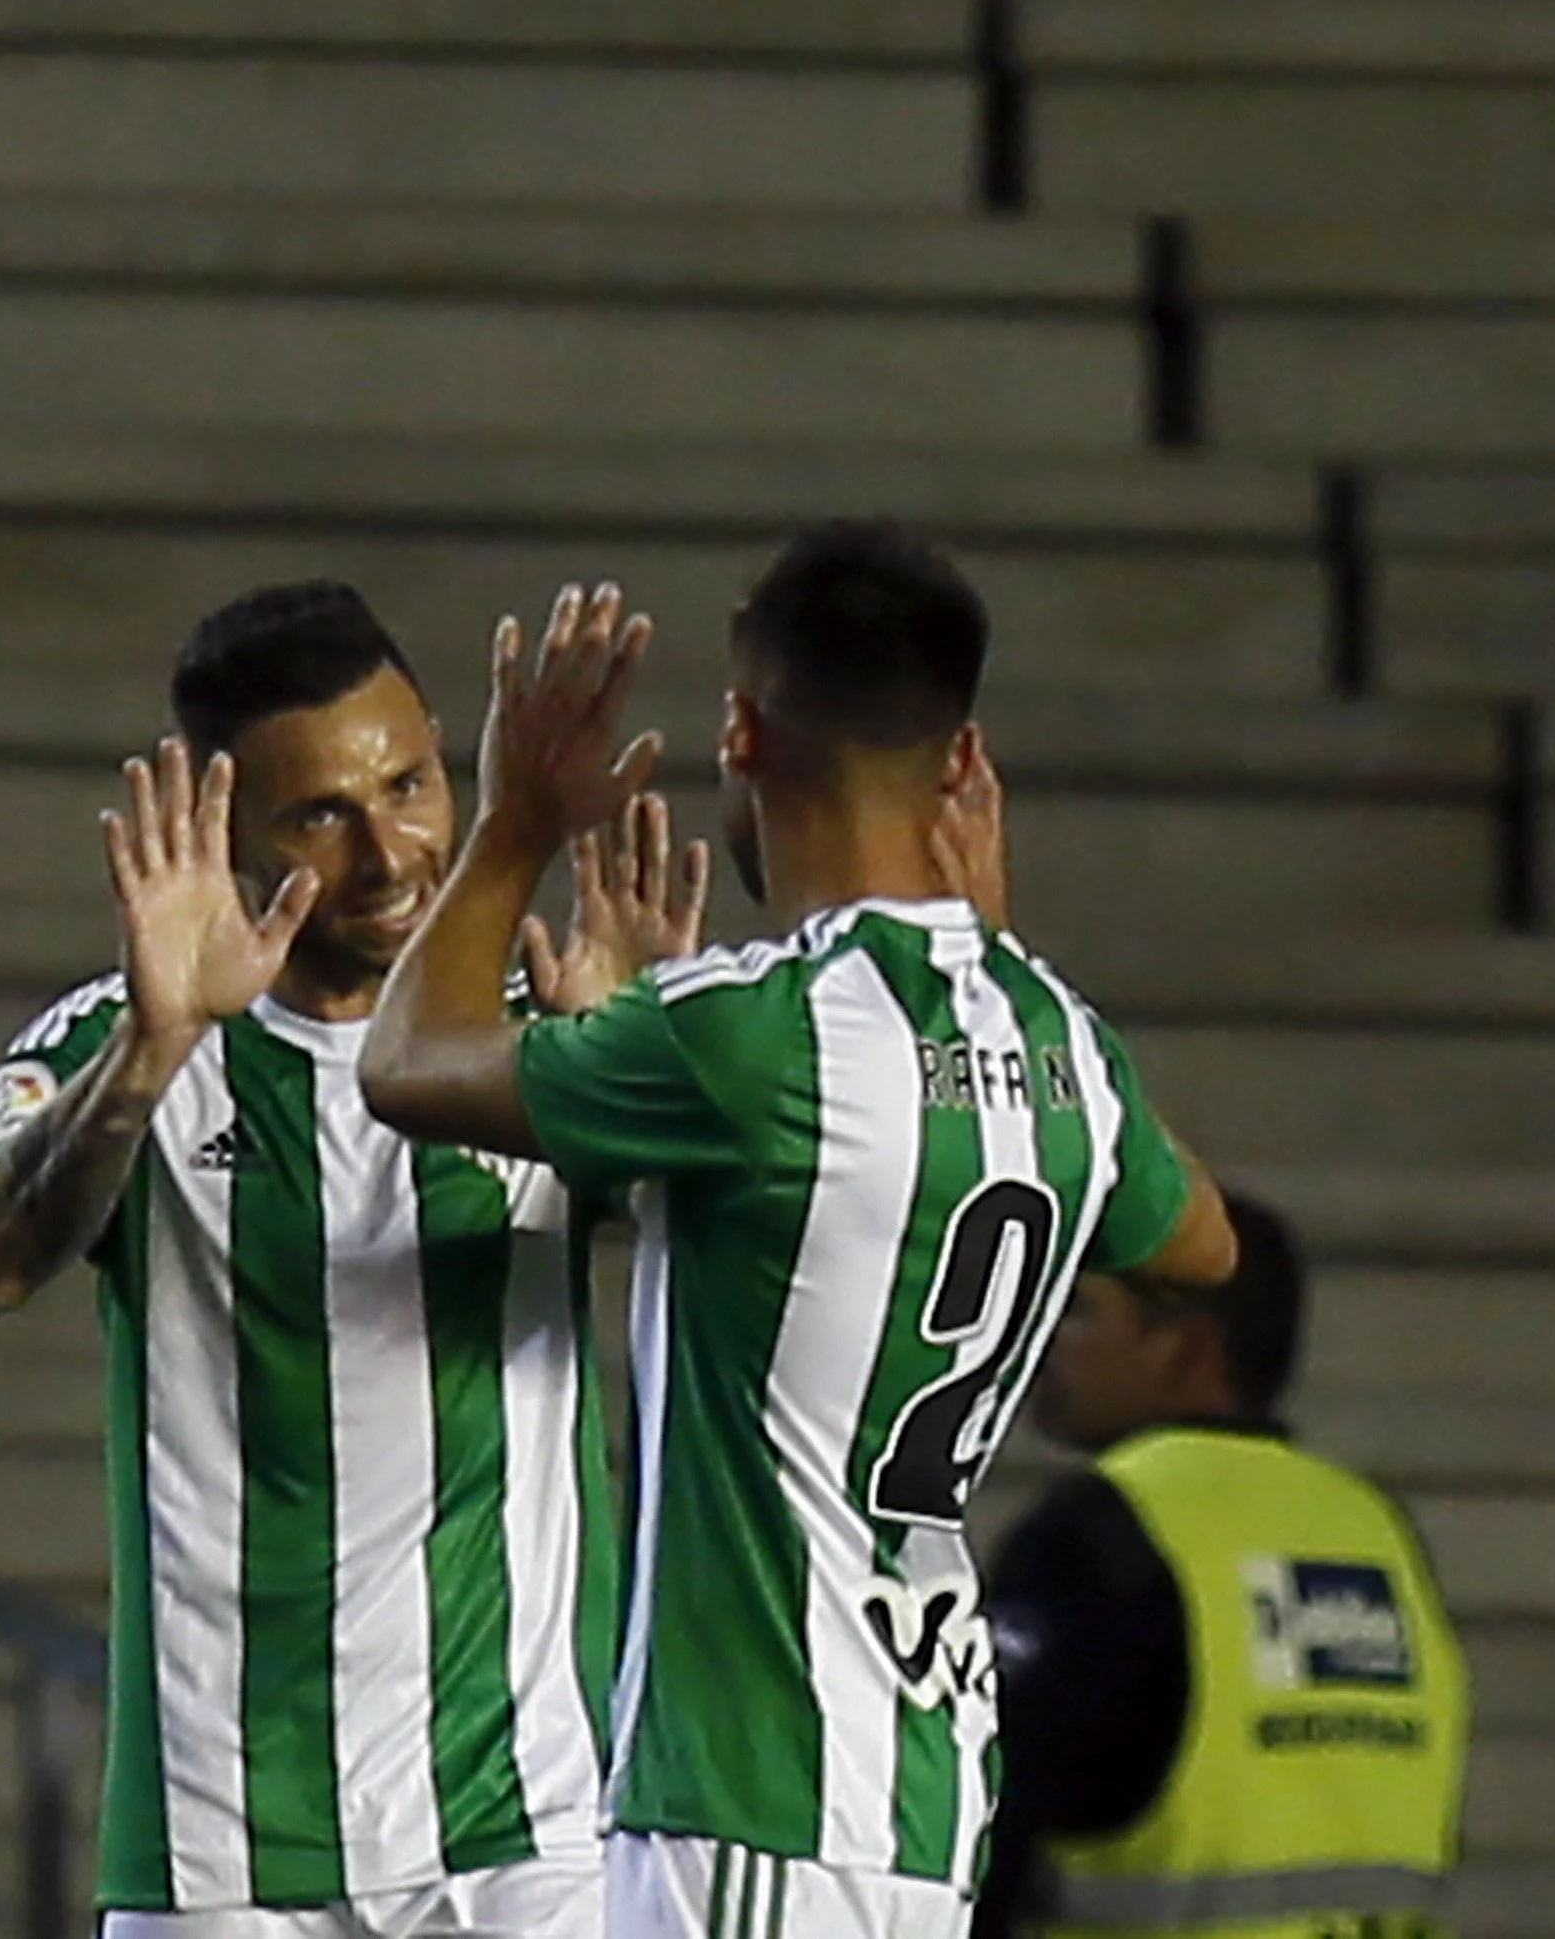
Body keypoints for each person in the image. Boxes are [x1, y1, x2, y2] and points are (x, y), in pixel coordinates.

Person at [354, 525, 1242, 1939]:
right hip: (927, 1789)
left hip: (756, 1787)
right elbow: (1198, 1243)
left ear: (742, 731)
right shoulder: (1057, 1039)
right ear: (963, 762)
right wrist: (1009, 968)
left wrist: (517, 819)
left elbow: (406, 1058)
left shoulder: (754, 1034)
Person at [0, 582, 702, 1937]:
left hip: (527, 1824)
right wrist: (151, 1052)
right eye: (320, 815)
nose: (391, 848)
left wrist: (648, 1073)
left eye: (408, 782)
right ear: (227, 829)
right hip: (223, 1847)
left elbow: (729, 1257)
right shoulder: (115, 1038)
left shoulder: (546, 1028)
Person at [977, 1193, 1469, 1939]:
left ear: (1187, 1347)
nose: (1043, 1339)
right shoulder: (1375, 1531)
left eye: (1077, 1309)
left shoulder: (1103, 1533)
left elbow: (981, 1810)